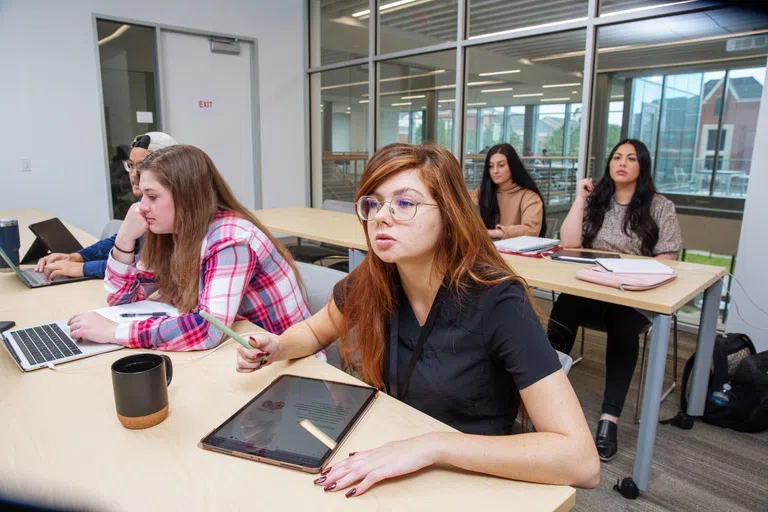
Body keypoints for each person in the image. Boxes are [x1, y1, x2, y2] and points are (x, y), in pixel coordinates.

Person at [236, 143, 599, 497]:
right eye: (373, 203)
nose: (380, 215)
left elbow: (581, 462)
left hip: (473, 476)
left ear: (450, 213)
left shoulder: (498, 300)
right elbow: (316, 330)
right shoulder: (378, 276)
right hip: (396, 453)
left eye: (405, 203)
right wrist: (278, 346)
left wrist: (434, 446)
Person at [66, 145, 311, 352]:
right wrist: (124, 240)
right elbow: (124, 300)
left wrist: (115, 331)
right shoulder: (172, 232)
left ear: (186, 198)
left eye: (152, 197)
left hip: (286, 363)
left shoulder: (231, 239)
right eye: (142, 196)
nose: (141, 207)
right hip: (240, 354)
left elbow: (209, 330)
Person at [548, 139, 682, 462]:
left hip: (635, 296)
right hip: (594, 288)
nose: (621, 162)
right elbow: (569, 244)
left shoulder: (660, 206)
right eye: (616, 157)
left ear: (642, 166)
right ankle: (546, 394)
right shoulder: (597, 200)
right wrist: (581, 198)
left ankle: (609, 419)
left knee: (622, 322)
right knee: (565, 305)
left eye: (631, 158)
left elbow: (668, 261)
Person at [35, 132, 179, 279]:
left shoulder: (170, 210)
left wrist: (83, 268)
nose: (134, 174)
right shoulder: (143, 202)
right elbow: (120, 243)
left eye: (142, 166)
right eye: (131, 165)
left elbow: (151, 267)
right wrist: (77, 257)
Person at [469, 143, 546, 239]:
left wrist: (498, 233)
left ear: (513, 166)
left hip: (516, 252)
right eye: (491, 166)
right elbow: (465, 212)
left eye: (501, 165)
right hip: (485, 249)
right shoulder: (482, 190)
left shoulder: (529, 196)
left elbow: (531, 230)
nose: (495, 171)